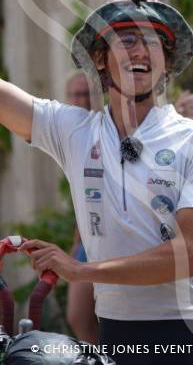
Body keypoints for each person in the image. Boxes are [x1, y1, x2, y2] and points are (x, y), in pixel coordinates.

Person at [1, 0, 193, 364]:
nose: (141, 51)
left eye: (153, 43)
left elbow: (190, 255)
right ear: (99, 58)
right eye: (126, 39)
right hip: (117, 332)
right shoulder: (76, 131)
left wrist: (80, 270)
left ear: (167, 62)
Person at [64, 70, 98, 344]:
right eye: (77, 94)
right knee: (78, 315)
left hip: (117, 236)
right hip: (88, 234)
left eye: (87, 94)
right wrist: (76, 245)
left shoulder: (107, 128)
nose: (82, 100)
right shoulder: (69, 134)